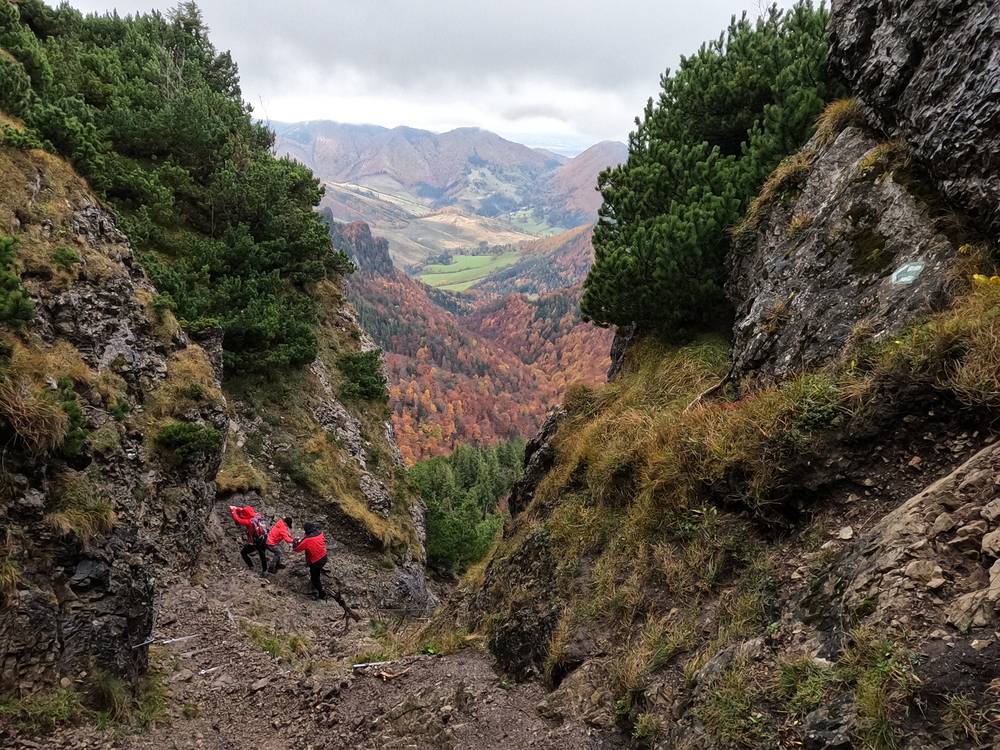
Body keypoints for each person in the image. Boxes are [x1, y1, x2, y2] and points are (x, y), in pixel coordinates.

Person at [292, 521, 328, 600]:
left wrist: (295, 540)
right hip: (324, 556)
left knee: (315, 579)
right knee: (316, 570)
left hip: (316, 561)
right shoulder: (320, 533)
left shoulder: (308, 539)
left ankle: (322, 594)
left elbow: (296, 548)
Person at [229, 505, 268, 573]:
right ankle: (265, 571)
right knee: (262, 555)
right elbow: (245, 511)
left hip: (255, 542)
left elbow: (237, 519)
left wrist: (233, 510)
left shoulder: (248, 522)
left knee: (243, 552)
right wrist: (237, 508)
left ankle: (251, 566)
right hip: (263, 539)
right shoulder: (258, 515)